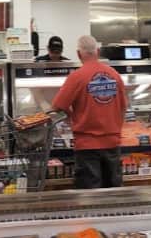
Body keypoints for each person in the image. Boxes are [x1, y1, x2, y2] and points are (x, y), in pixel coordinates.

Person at [52, 35, 127, 189]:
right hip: (112, 143)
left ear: (79, 54)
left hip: (87, 146)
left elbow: (57, 105)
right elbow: (123, 107)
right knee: (114, 194)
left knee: (89, 197)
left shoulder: (77, 77)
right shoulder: (114, 75)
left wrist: (71, 116)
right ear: (98, 52)